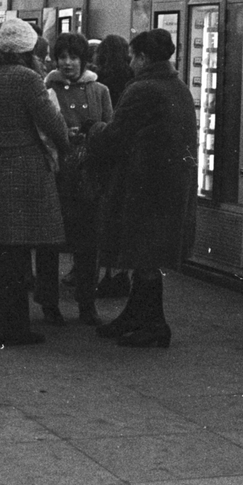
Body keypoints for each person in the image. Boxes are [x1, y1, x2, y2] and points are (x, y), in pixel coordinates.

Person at [85, 26, 198, 349]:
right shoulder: (176, 85)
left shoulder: (143, 89)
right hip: (169, 185)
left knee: (144, 253)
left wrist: (93, 129)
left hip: (145, 185)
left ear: (144, 58)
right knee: (146, 253)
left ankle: (154, 324)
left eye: (133, 56)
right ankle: (134, 316)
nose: (130, 62)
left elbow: (116, 137)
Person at [0, 17, 69, 345]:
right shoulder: (28, 79)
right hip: (25, 166)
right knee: (18, 248)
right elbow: (51, 123)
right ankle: (13, 327)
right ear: (28, 50)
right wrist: (65, 143)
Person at [45, 31, 114, 326]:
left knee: (88, 244)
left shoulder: (99, 91)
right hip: (57, 174)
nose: (68, 63)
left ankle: (87, 303)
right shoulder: (46, 88)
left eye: (73, 57)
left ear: (84, 60)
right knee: (49, 242)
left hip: (88, 176)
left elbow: (109, 128)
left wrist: (92, 134)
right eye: (62, 57)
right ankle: (49, 303)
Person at [91, 31, 136, 299]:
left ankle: (102, 273)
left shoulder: (100, 81)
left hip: (105, 151)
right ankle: (121, 274)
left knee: (103, 215)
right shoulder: (132, 81)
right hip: (127, 155)